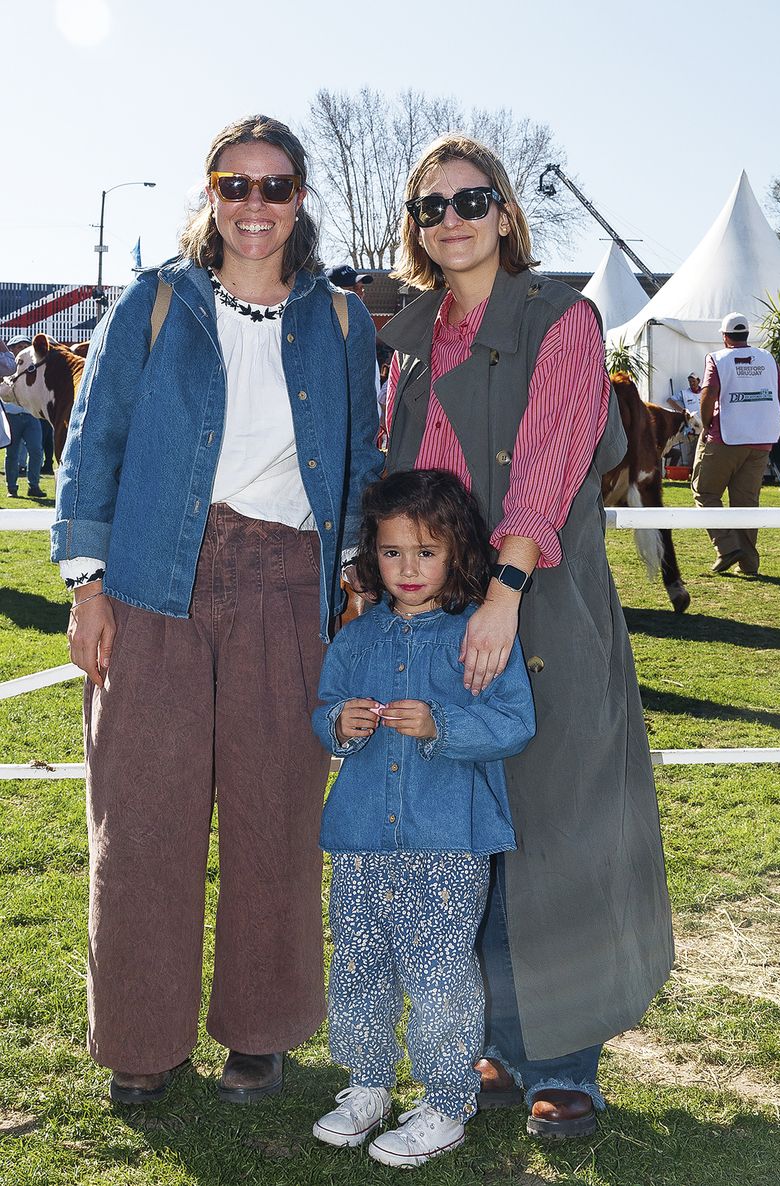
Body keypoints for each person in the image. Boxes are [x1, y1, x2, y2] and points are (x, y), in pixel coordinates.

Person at [51, 115, 381, 1106]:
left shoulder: (338, 319)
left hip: (288, 587)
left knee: (276, 814)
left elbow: (361, 459)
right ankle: (142, 1045)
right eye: (233, 186)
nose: (253, 206)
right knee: (143, 818)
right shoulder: (154, 303)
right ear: (209, 194)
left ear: (300, 200)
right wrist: (86, 581)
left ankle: (261, 1029)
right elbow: (94, 439)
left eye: (274, 187)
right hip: (156, 580)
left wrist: (355, 571)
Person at [378, 134, 674, 1140]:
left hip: (536, 610)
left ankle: (565, 1061)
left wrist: (502, 594)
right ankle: (498, 1041)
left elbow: (548, 465)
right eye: (431, 206)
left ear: (505, 212)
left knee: (556, 832)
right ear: (414, 228)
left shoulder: (565, 320)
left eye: (471, 199)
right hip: (440, 617)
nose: (451, 218)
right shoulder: (411, 340)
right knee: (475, 847)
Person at [312, 469, 535, 1166]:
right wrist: (339, 726)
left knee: (440, 972)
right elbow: (324, 713)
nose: (408, 569)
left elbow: (513, 723)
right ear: (371, 555)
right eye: (391, 552)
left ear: (457, 553)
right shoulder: (354, 639)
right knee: (357, 964)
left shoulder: (479, 635)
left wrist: (444, 725)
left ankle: (444, 1101)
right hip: (359, 842)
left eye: (426, 552)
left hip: (448, 842)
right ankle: (368, 1083)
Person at [692, 312, 780, 575]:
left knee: (706, 492)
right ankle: (748, 564)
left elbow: (708, 393)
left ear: (724, 336)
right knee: (746, 503)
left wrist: (706, 423)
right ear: (746, 335)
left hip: (725, 437)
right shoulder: (767, 357)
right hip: (761, 440)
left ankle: (726, 546)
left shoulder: (718, 358)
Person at [2, 338, 45, 498]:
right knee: (12, 453)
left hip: (31, 415)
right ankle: (11, 488)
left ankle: (33, 486)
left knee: (36, 451)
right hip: (12, 416)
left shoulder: (35, 368)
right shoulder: (7, 368)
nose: (23, 349)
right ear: (12, 349)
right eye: (19, 346)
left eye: (26, 346)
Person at [668, 372, 703, 466]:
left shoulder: (704, 392)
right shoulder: (684, 393)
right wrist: (681, 410)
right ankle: (691, 470)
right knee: (692, 450)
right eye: (690, 381)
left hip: (704, 426)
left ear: (698, 381)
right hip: (691, 427)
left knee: (703, 450)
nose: (692, 383)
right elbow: (670, 400)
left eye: (694, 381)